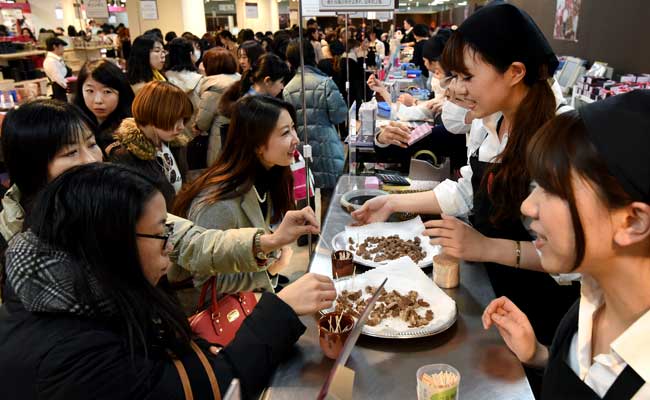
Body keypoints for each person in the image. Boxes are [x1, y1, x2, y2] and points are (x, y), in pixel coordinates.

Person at [0, 162, 336, 400]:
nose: (171, 246)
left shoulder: (90, 288)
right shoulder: (74, 359)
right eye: (162, 234)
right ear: (112, 240)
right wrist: (280, 310)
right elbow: (205, 391)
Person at [353, 3, 579, 349]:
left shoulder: (560, 141)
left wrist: (486, 247)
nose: (455, 91)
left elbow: (569, 260)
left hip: (539, 318)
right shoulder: (494, 122)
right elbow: (467, 191)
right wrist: (392, 201)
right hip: (493, 297)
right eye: (453, 77)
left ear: (516, 72)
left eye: (466, 77)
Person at [0, 99, 322, 304]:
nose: (91, 160)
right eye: (71, 153)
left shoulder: (116, 199)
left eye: (90, 145)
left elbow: (194, 242)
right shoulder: (24, 251)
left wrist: (269, 241)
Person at [483, 91, 650, 399]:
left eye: (552, 189)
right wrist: (539, 355)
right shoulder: (592, 298)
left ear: (633, 221)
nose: (528, 207)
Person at [174, 96, 299, 304]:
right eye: (285, 132)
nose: (296, 138)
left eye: (293, 128)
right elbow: (202, 280)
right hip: (216, 319)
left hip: (245, 301)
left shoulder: (268, 179)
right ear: (257, 144)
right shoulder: (219, 203)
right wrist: (271, 269)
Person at [283, 40, 347, 209]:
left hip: (299, 146)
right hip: (326, 145)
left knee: (304, 194)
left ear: (290, 60)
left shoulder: (287, 89)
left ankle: (305, 234)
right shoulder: (325, 82)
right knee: (328, 193)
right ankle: (325, 234)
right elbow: (339, 115)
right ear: (312, 56)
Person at [107, 81, 192, 209]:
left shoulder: (174, 145)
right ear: (153, 113)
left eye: (183, 119)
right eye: (174, 119)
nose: (181, 126)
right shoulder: (124, 155)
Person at [73, 59, 135, 151]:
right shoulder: (74, 125)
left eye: (107, 91)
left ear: (121, 93)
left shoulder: (131, 132)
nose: (98, 100)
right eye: (90, 91)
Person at [194, 47, 240, 165]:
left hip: (221, 140)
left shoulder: (213, 87)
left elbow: (202, 123)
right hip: (241, 136)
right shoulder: (240, 80)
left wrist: (197, 127)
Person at [219, 53, 290, 116]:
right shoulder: (252, 107)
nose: (282, 87)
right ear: (267, 80)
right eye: (281, 82)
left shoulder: (251, 98)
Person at [43, 37, 71, 102]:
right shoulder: (50, 61)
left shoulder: (57, 59)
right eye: (62, 46)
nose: (63, 49)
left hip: (62, 90)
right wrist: (69, 87)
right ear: (55, 46)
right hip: (58, 92)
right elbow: (59, 78)